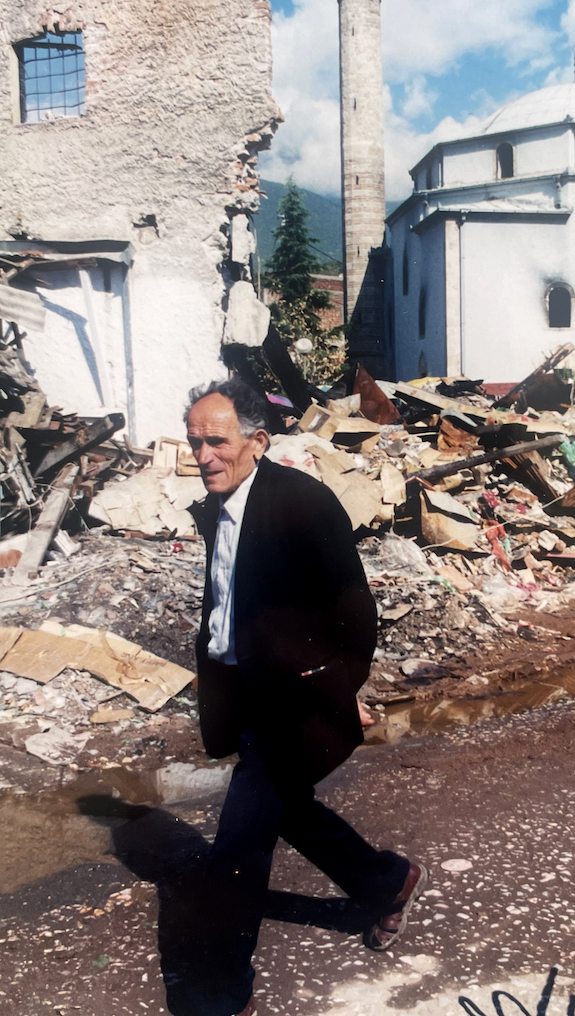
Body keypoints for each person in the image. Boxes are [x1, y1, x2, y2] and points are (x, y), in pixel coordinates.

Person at [161, 378, 426, 1016]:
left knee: (238, 849)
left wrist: (333, 695)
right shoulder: (217, 507)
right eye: (194, 443)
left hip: (295, 704)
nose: (203, 456)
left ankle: (225, 994)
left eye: (216, 441)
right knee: (288, 812)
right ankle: (387, 881)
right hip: (245, 695)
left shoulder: (303, 505)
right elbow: (230, 598)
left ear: (257, 441)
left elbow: (356, 619)